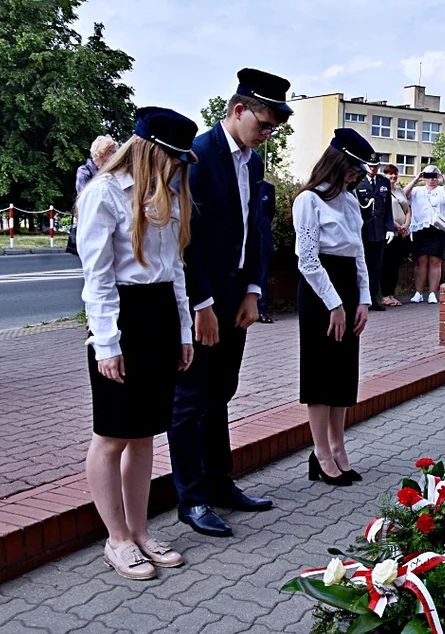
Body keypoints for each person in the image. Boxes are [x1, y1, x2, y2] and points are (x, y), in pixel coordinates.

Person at [171, 68, 293, 538]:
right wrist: (202, 304)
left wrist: (253, 292)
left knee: (220, 392)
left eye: (274, 128)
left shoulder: (253, 163)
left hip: (237, 299)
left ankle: (221, 484)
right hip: (202, 300)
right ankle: (193, 498)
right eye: (264, 125)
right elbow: (188, 241)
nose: (268, 135)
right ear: (238, 110)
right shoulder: (199, 156)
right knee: (190, 400)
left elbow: (258, 233)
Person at [77, 108, 196, 579]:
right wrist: (107, 344)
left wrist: (183, 331)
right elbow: (97, 277)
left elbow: (176, 270)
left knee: (144, 432)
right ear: (150, 150)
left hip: (160, 316)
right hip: (122, 317)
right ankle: (117, 538)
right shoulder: (103, 194)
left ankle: (140, 531)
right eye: (174, 157)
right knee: (111, 434)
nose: (180, 167)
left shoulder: (168, 193)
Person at [293, 128, 373, 486]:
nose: (357, 176)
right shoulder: (308, 201)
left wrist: (364, 299)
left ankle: (339, 448)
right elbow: (307, 260)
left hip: (346, 290)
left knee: (343, 372)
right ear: (337, 163)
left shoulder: (351, 202)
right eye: (353, 169)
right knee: (320, 372)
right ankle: (320, 452)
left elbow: (358, 253)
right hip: (319, 292)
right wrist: (335, 304)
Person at [403, 166, 445, 304]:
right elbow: (402, 196)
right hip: (420, 228)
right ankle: (418, 292)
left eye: (434, 176)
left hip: (439, 229)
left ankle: (432, 292)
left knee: (435, 261)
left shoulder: (441, 190)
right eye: (428, 175)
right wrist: (416, 179)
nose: (431, 179)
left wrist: (443, 182)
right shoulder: (417, 190)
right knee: (421, 261)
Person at [355, 162, 393, 311]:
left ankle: (372, 299)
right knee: (361, 267)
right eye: (370, 166)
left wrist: (390, 227)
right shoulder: (358, 181)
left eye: (376, 166)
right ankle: (360, 299)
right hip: (363, 231)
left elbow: (388, 206)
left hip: (378, 232)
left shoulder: (384, 182)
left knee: (375, 268)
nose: (373, 169)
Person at [379, 164, 411, 307]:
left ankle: (392, 294)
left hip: (402, 234)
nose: (393, 176)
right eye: (390, 174)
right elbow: (382, 212)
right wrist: (396, 226)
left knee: (395, 265)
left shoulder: (399, 190)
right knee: (386, 264)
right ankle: (385, 295)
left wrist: (405, 225)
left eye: (395, 173)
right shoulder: (382, 191)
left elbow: (407, 209)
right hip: (389, 233)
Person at [256, 180, 276, 324]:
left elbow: (271, 211)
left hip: (263, 232)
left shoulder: (268, 188)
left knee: (262, 272)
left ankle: (260, 310)